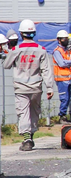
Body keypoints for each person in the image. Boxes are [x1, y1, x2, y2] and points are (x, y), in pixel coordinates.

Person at [3, 20, 54, 151]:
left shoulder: (16, 50)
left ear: (21, 33)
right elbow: (46, 70)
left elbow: (6, 65)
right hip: (36, 86)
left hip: (20, 87)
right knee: (34, 112)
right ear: (34, 33)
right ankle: (30, 135)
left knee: (23, 112)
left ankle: (26, 140)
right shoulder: (41, 50)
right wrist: (49, 87)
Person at [52, 30, 71, 124]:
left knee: (68, 98)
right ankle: (62, 116)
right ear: (58, 40)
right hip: (61, 79)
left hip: (68, 78)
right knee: (64, 98)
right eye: (63, 39)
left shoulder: (67, 51)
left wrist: (68, 62)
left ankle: (64, 116)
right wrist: (68, 62)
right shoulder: (57, 51)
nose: (65, 40)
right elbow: (61, 63)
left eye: (66, 39)